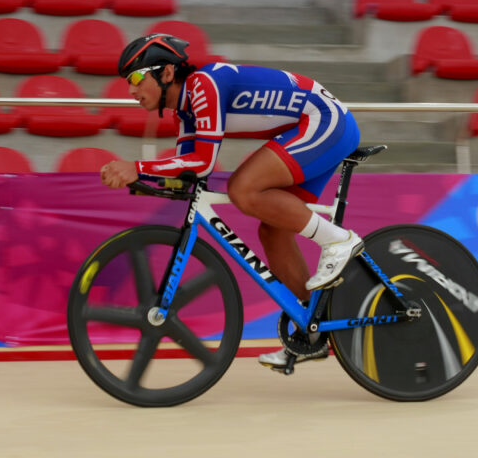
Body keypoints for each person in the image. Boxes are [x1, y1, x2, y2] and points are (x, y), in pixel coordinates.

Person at [100, 33, 363, 369]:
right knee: (273, 231)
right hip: (308, 126)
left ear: (166, 73)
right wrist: (140, 180)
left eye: (136, 78)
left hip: (325, 121)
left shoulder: (202, 86)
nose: (131, 91)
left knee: (243, 188)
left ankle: (339, 240)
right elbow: (188, 172)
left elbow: (203, 162)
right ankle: (311, 329)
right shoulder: (186, 113)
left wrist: (136, 167)